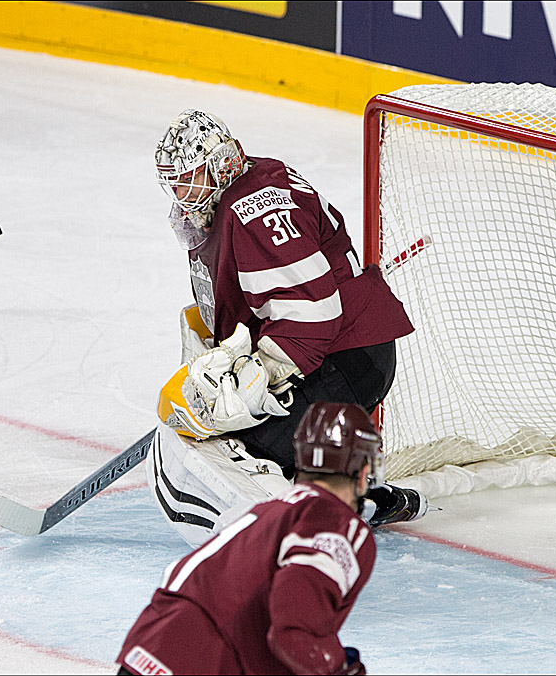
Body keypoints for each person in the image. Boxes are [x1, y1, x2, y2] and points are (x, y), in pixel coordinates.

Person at [147, 109, 428, 547]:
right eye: (175, 182)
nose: (182, 194)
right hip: (334, 353)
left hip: (345, 357)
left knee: (232, 435)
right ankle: (364, 496)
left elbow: (313, 311)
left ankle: (310, 514)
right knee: (225, 418)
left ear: (219, 164)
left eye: (189, 179)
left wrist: (252, 379)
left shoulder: (255, 208)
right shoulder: (237, 189)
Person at [117, 402, 381, 676]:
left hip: (150, 644)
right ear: (362, 473)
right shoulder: (334, 521)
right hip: (205, 659)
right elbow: (294, 630)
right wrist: (336, 668)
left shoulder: (268, 510)